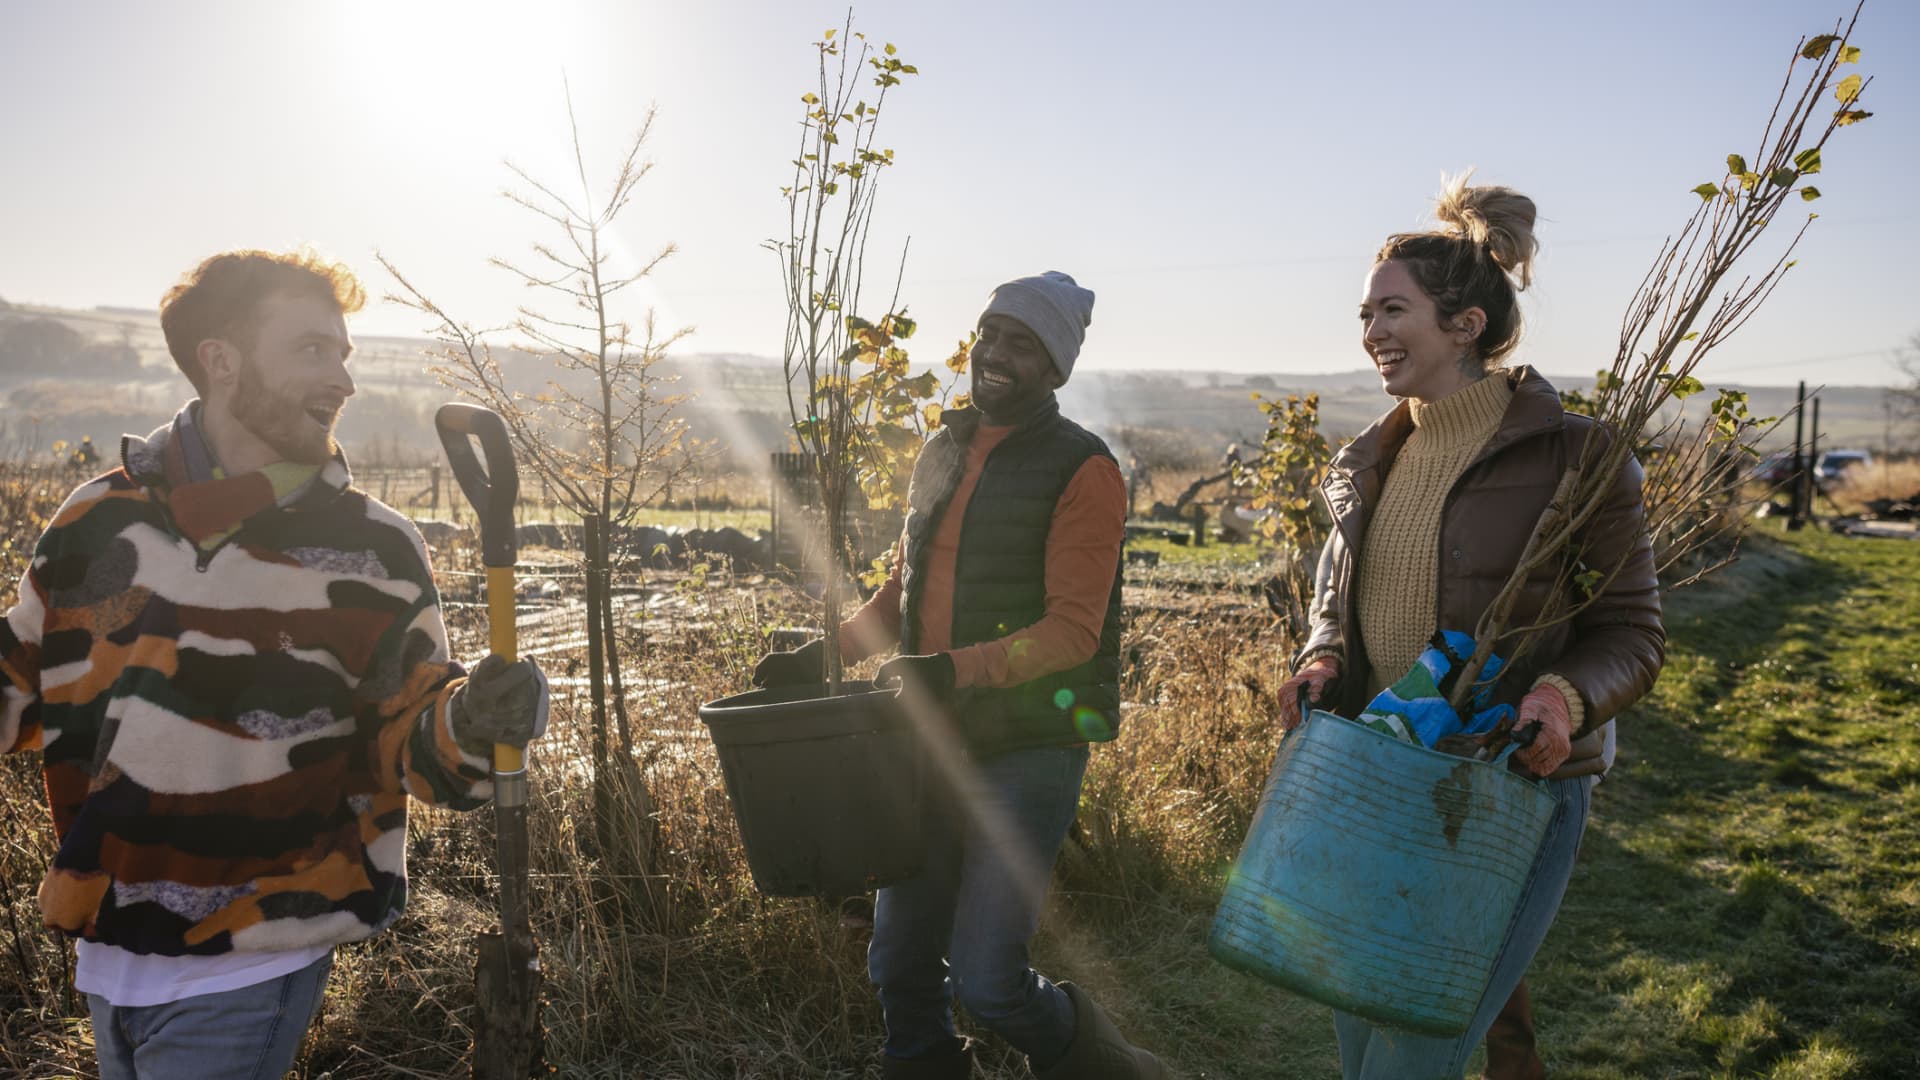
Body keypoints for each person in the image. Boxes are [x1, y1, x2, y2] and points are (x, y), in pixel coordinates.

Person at [0, 249, 547, 1079]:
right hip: (108, 949)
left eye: (344, 353)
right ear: (220, 360)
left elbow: (412, 742)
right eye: (311, 350)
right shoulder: (96, 521)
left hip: (255, 952)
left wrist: (473, 720)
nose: (344, 381)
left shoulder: (373, 546)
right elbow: (19, 690)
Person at [1276, 178, 1664, 1079]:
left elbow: (1633, 632)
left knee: (1411, 1052)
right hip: (1375, 781)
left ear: (1466, 326)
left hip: (1504, 791)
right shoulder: (1366, 463)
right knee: (1358, 1038)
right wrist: (1320, 658)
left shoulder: (1579, 457)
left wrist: (1559, 699)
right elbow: (1333, 608)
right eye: (1364, 311)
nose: (1370, 330)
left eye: (1392, 309)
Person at [753, 272, 1165, 1079]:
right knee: (899, 958)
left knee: (989, 983)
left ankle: (1120, 1071)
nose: (997, 355)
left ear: (1055, 368)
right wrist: (825, 655)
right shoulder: (940, 450)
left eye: (1023, 344)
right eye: (991, 334)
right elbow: (904, 593)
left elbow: (1074, 633)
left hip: (1030, 747)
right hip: (932, 741)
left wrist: (947, 672)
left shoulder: (1085, 470)